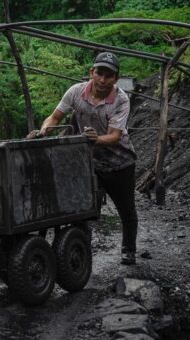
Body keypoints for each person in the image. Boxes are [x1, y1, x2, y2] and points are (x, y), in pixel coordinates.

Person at [28, 52, 139, 265]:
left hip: (120, 162)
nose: (103, 80)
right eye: (99, 73)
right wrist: (44, 131)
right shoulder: (76, 92)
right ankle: (80, 250)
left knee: (126, 208)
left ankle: (128, 249)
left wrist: (96, 139)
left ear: (116, 78)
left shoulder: (121, 100)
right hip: (90, 162)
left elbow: (115, 136)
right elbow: (55, 117)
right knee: (82, 207)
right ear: (91, 72)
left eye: (109, 76)